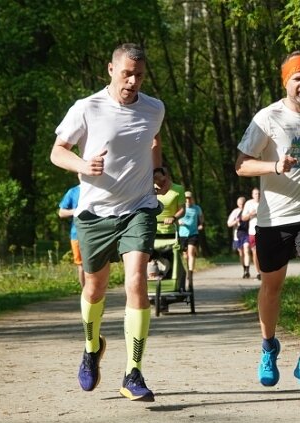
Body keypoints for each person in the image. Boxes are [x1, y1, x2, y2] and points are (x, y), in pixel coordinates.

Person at [49, 43, 164, 402]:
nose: (133, 81)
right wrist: (84, 166)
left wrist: (159, 170)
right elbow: (57, 152)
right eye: (127, 73)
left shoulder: (154, 108)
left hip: (138, 207)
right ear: (110, 70)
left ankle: (133, 372)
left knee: (136, 283)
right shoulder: (87, 107)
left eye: (139, 75)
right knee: (95, 289)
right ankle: (91, 347)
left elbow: (154, 139)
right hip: (94, 211)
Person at [235, 51, 300, 388]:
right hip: (273, 218)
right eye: (297, 78)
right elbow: (241, 165)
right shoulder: (267, 118)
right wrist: (274, 166)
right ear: (286, 81)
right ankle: (269, 346)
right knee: (271, 287)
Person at [58, 174, 84, 289]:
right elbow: (61, 212)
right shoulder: (73, 192)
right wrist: (76, 211)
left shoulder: (99, 190)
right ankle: (85, 294)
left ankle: (97, 294)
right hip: (77, 234)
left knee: (98, 266)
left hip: (98, 233)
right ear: (78, 174)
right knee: (81, 266)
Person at [178, 191, 203, 285]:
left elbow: (201, 218)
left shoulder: (197, 208)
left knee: (191, 252)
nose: (187, 200)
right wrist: (179, 222)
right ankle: (188, 269)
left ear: (192, 199)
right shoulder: (181, 208)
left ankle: (190, 272)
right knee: (185, 255)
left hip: (193, 233)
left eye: (189, 198)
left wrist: (200, 224)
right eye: (186, 198)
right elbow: (175, 217)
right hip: (182, 234)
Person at [226, 196, 251, 278]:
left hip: (247, 233)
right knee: (241, 253)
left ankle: (247, 270)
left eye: (243, 203)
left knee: (246, 250)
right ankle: (244, 269)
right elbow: (229, 224)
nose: (242, 205)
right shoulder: (235, 212)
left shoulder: (248, 211)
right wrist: (236, 221)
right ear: (237, 204)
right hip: (238, 235)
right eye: (240, 204)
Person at [241, 187, 261, 280]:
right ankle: (258, 273)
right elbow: (243, 218)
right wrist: (251, 214)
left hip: (265, 230)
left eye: (259, 193)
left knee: (265, 252)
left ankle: (265, 272)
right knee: (255, 252)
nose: (258, 195)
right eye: (256, 194)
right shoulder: (249, 203)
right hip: (253, 231)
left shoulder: (265, 202)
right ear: (252, 195)